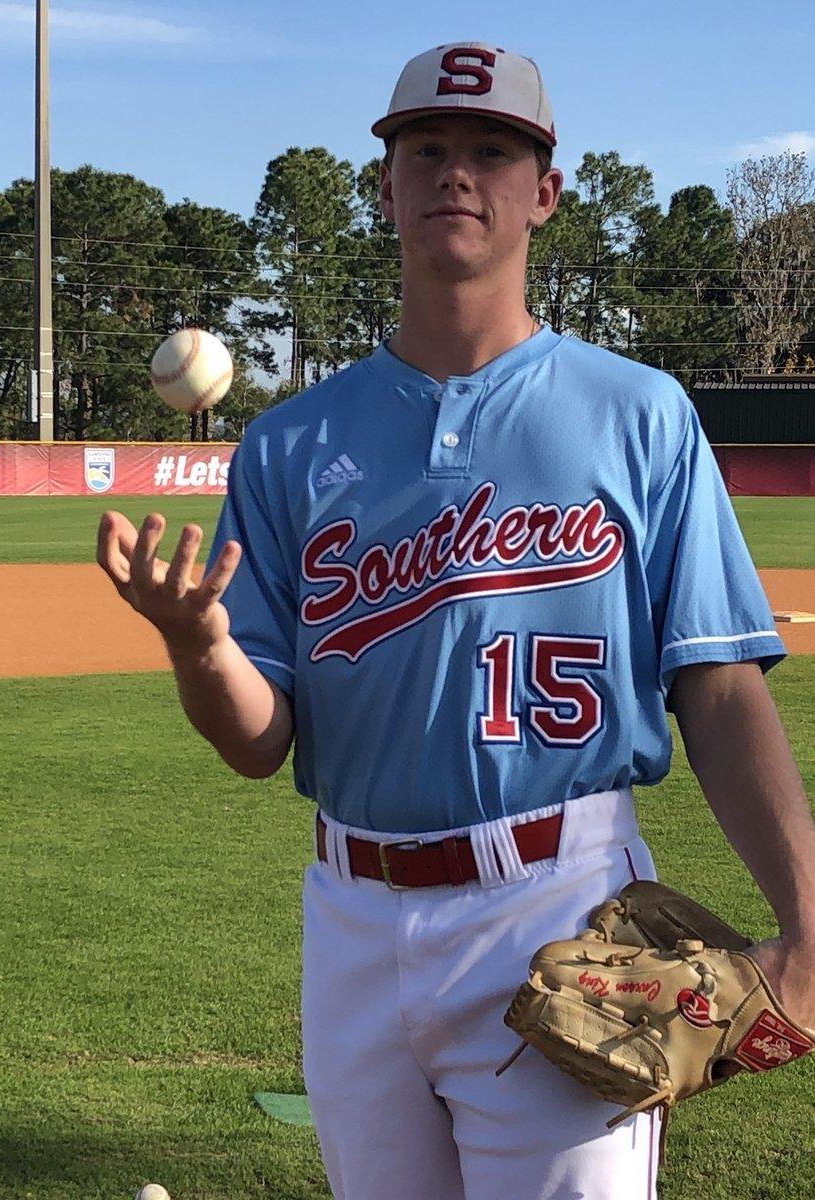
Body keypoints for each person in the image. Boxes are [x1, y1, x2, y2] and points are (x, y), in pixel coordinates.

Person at [97, 42, 815, 1200]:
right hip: (350, 916)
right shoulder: (292, 443)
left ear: (547, 190)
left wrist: (809, 920)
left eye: (492, 149)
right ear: (384, 188)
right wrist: (199, 644)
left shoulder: (640, 415)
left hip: (560, 904)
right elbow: (256, 740)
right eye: (424, 149)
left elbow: (721, 688)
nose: (455, 173)